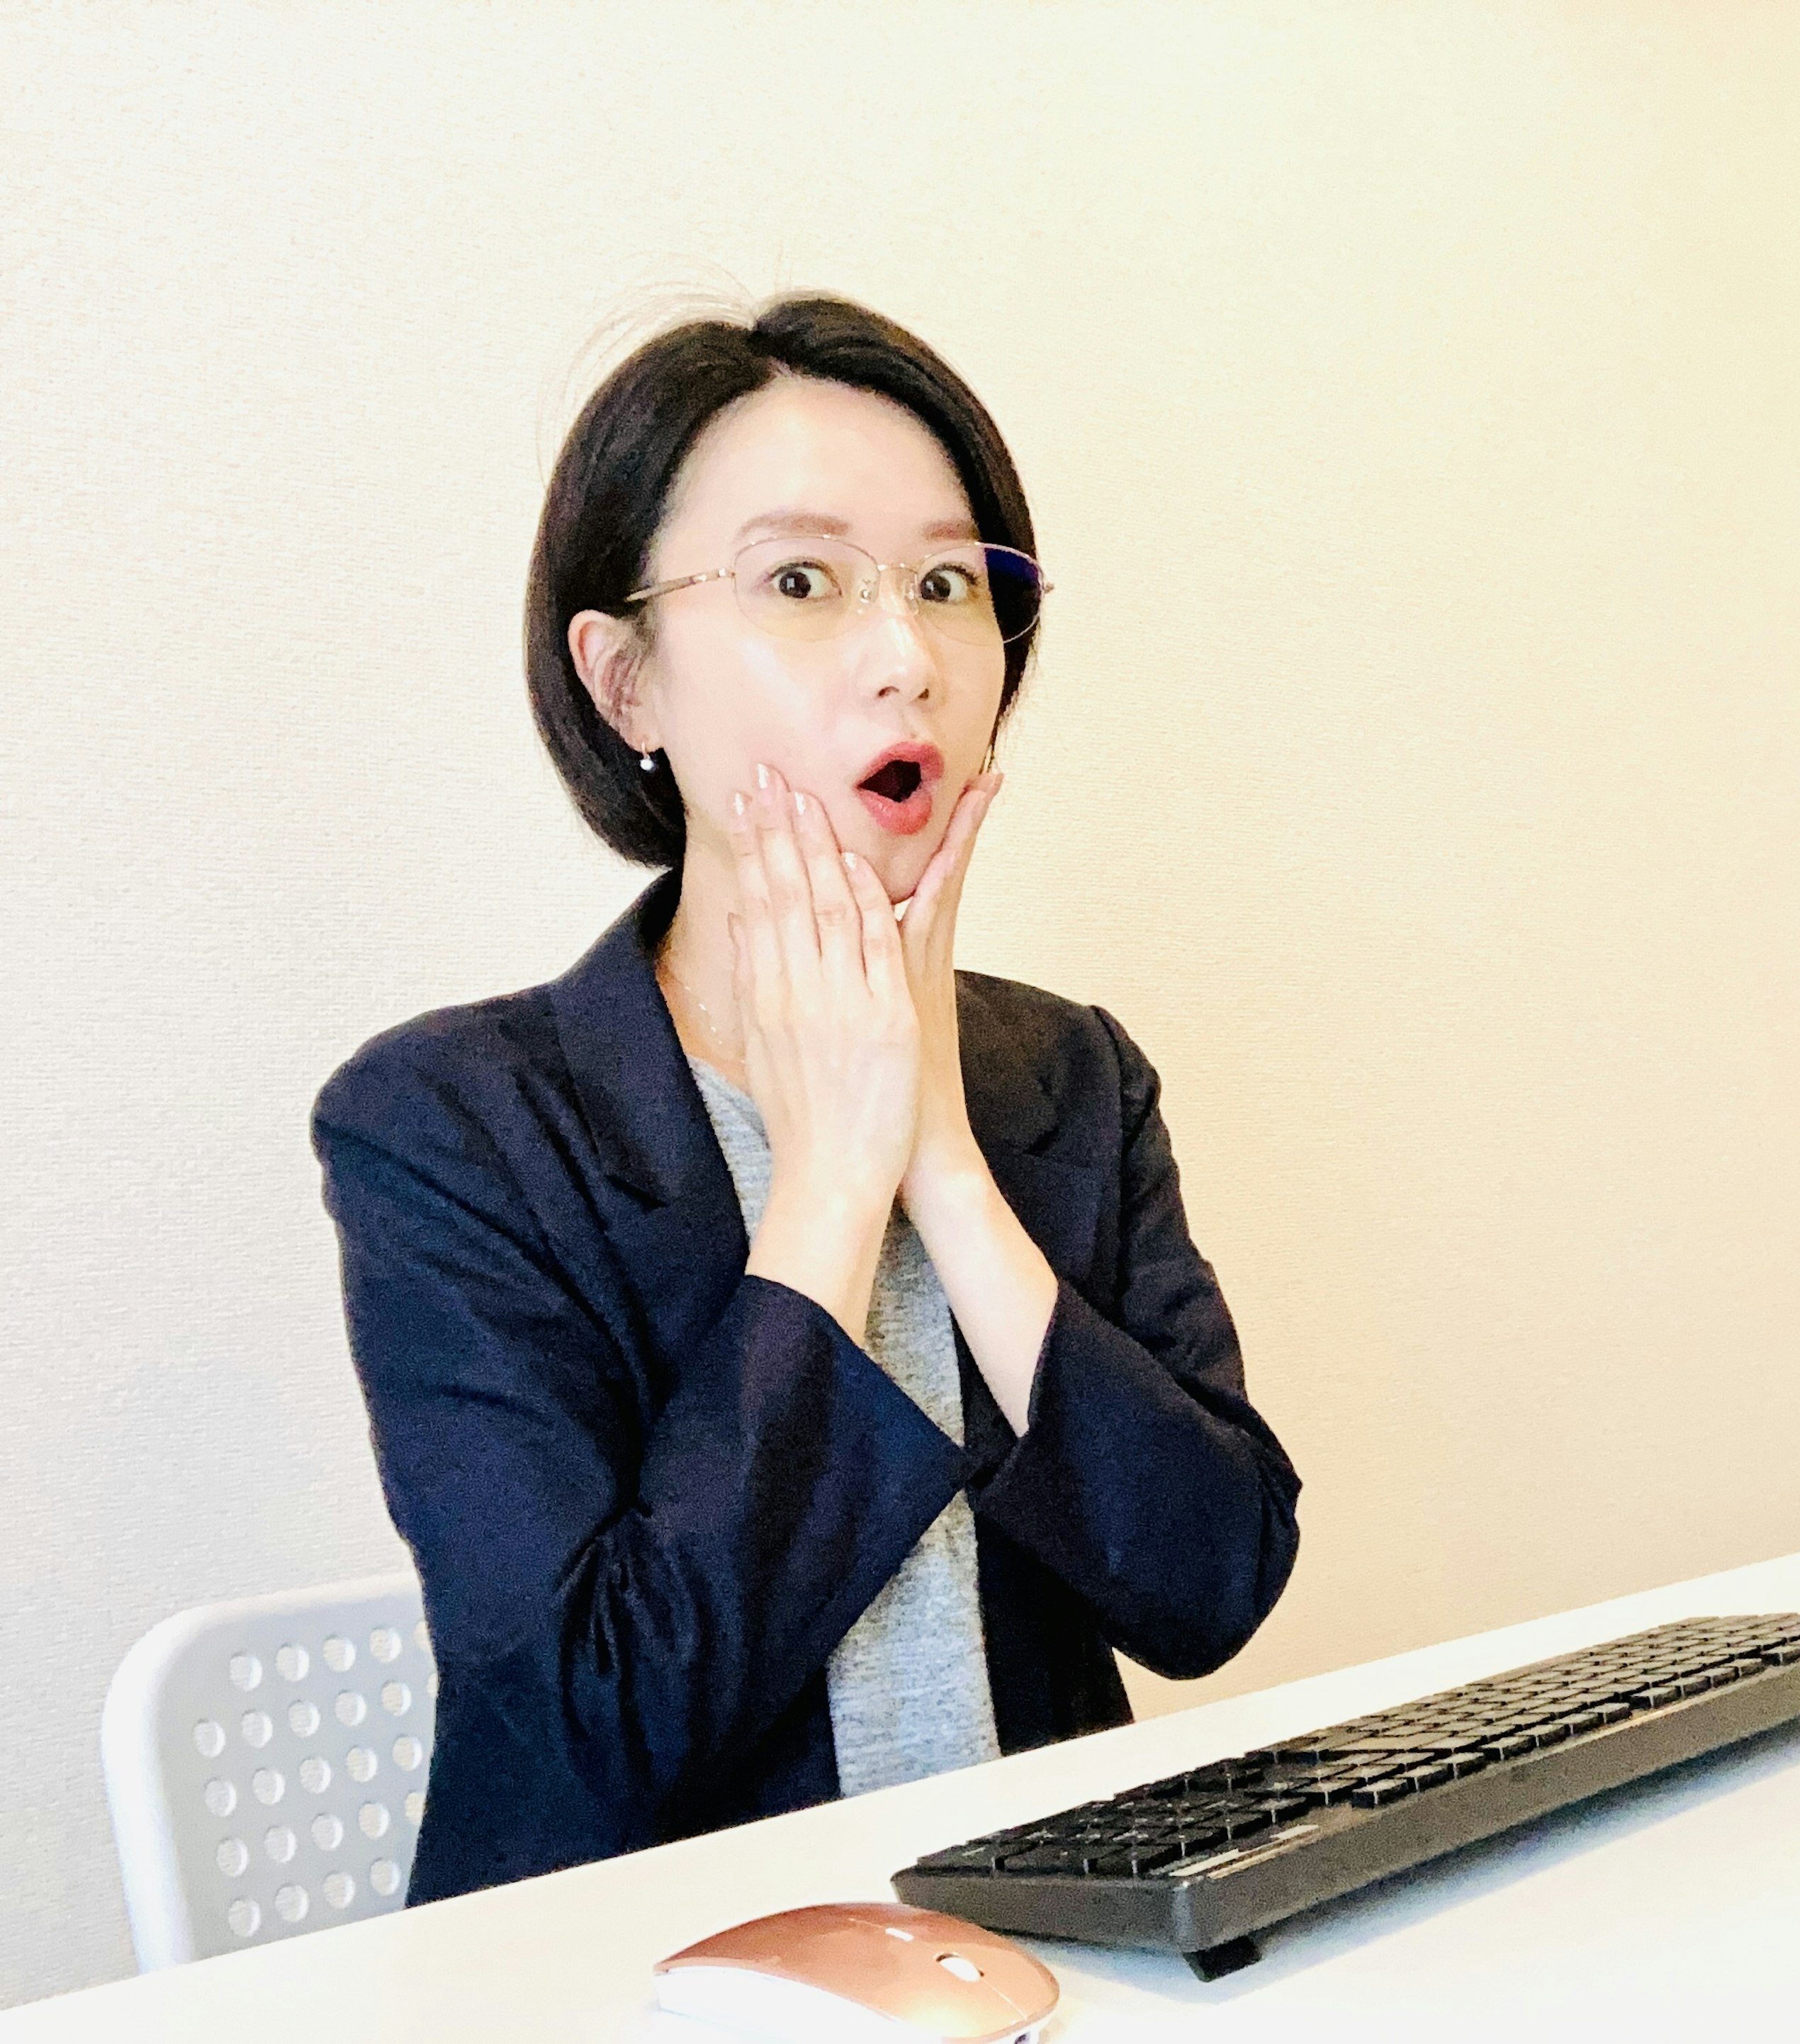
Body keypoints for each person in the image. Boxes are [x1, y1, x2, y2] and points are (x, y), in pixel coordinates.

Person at [310, 294, 1300, 1904]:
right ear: (628, 682)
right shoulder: (453, 1126)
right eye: (798, 581)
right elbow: (591, 1734)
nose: (905, 655)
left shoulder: (1073, 1080)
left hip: (1043, 1973)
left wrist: (948, 1167)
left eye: (947, 583)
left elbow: (1212, 1586)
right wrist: (833, 1185)